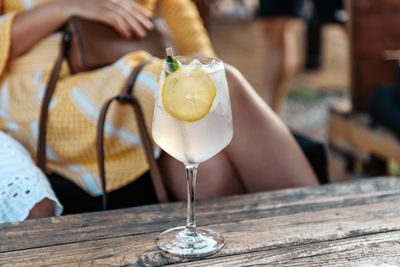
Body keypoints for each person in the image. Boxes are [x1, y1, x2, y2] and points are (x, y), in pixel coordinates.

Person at [0, 0, 318, 222]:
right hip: (37, 90)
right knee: (222, 82)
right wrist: (65, 7)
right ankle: (320, 224)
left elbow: (185, 26)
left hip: (126, 71)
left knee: (212, 169)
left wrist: (202, 85)